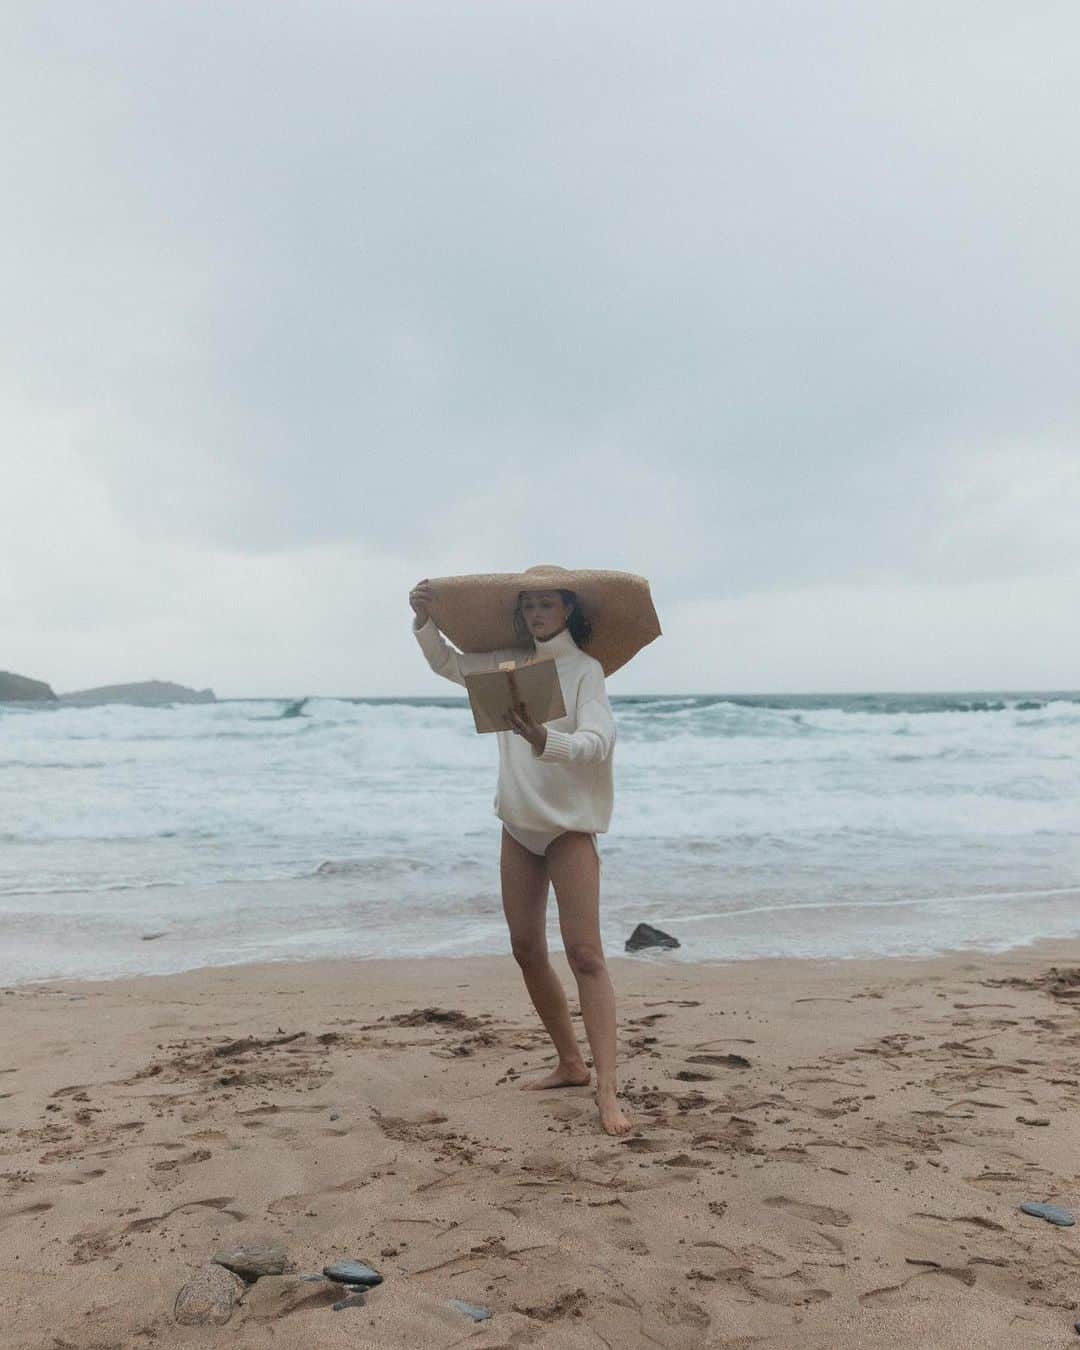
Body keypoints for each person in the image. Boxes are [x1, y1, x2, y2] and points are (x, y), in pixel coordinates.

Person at [409, 575, 631, 1136]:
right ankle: (570, 1063)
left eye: (546, 603)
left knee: (586, 955)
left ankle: (607, 1091)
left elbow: (599, 741)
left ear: (567, 609)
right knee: (526, 948)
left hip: (568, 829)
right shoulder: (507, 662)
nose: (536, 613)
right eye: (528, 605)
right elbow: (449, 666)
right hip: (517, 825)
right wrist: (423, 621)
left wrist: (543, 739)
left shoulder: (586, 670)